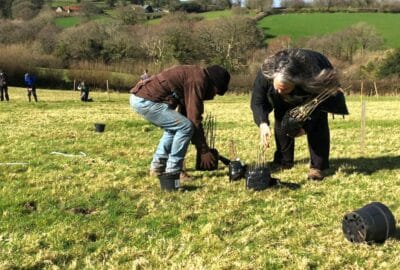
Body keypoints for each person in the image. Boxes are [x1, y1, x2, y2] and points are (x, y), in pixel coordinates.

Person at [251, 49, 349, 180]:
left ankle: (317, 167)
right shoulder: (265, 74)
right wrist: (263, 123)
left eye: (284, 88)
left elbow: (319, 107)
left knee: (318, 123)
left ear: (296, 82)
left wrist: (305, 127)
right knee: (281, 117)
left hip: (314, 85)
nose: (280, 91)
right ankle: (283, 161)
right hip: (291, 83)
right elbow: (257, 101)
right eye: (277, 87)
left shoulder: (313, 76)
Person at [130, 64, 230, 178]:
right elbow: (194, 119)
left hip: (142, 98)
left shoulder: (196, 75)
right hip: (147, 101)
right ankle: (174, 171)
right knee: (185, 127)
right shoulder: (198, 81)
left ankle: (157, 168)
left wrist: (202, 147)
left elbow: (186, 113)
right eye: (216, 92)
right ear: (214, 85)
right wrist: (204, 150)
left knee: (176, 128)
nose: (213, 96)